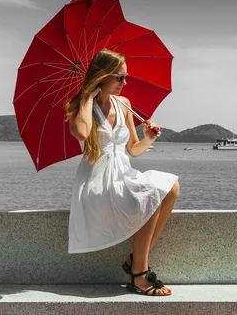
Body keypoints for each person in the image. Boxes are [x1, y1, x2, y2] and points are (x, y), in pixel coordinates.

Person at [64, 49, 180, 296]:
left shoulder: (124, 104)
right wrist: (87, 97)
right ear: (102, 76)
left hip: (122, 173)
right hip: (97, 180)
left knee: (171, 187)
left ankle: (135, 259)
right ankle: (139, 274)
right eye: (119, 77)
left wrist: (148, 138)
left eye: (125, 77)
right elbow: (82, 134)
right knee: (149, 192)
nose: (124, 83)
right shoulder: (81, 105)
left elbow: (133, 150)